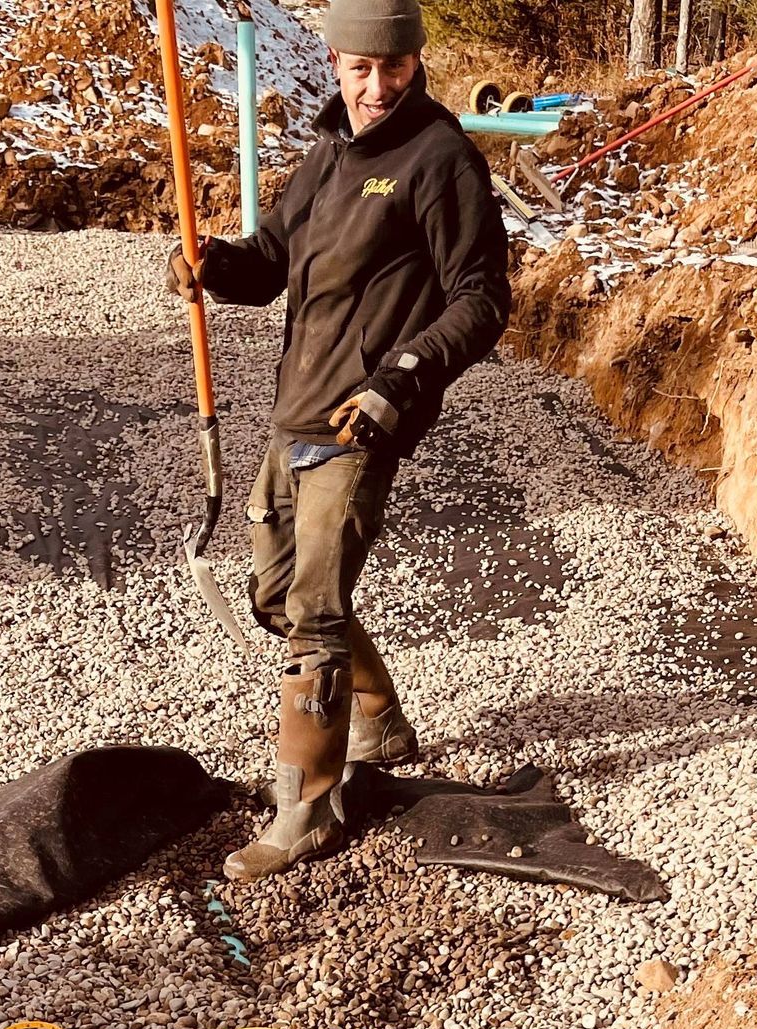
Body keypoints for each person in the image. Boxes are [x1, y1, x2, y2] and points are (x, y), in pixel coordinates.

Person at [168, 0, 511, 884]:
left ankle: (307, 808)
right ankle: (379, 720)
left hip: (360, 419)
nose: (376, 86)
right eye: (360, 68)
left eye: (392, 69)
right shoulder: (328, 151)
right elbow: (273, 257)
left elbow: (481, 300)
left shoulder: (440, 158)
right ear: (332, 58)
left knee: (314, 617)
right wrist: (213, 264)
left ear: (415, 62)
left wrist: (400, 378)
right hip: (295, 409)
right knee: (276, 597)